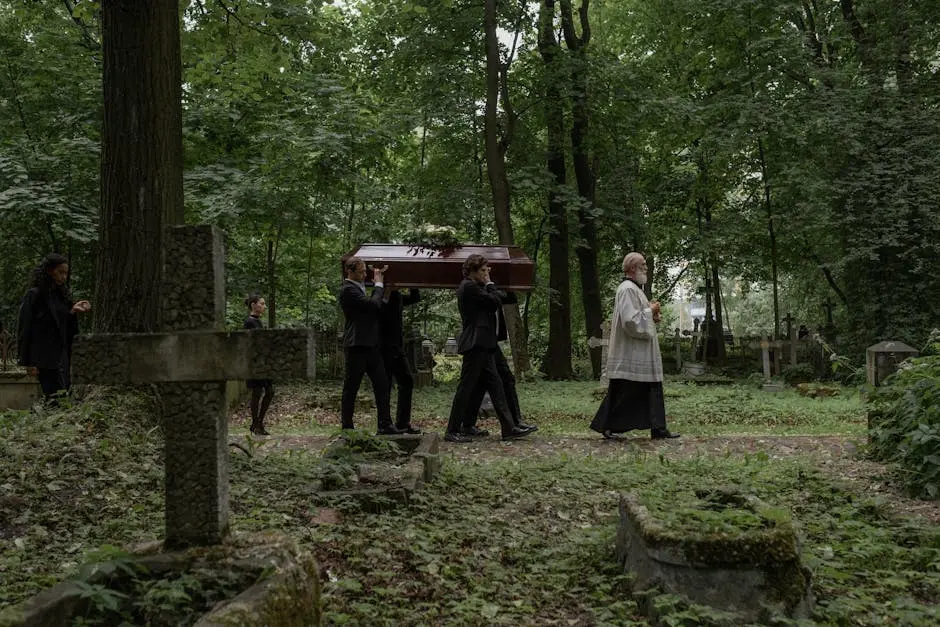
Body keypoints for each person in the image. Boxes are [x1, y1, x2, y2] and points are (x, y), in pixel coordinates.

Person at [444, 254, 534, 443]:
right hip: (476, 344)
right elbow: (494, 301)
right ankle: (452, 430)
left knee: (495, 384)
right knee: (467, 387)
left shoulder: (476, 287)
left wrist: (491, 287)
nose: (487, 274)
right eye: (483, 271)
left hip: (484, 343)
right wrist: (491, 284)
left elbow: (504, 298)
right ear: (473, 271)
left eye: (488, 271)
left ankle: (508, 427)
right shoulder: (468, 286)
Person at [590, 252, 679, 440]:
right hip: (632, 352)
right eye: (643, 265)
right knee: (625, 390)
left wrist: (651, 315)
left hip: (641, 352)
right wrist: (650, 311)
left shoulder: (635, 289)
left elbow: (637, 316)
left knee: (651, 388)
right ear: (632, 268)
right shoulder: (627, 289)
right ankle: (607, 425)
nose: (646, 268)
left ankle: (658, 428)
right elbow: (630, 322)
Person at [17, 253, 92, 404]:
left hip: (62, 356)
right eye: (60, 272)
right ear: (50, 271)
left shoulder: (61, 295)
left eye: (66, 273)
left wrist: (73, 311)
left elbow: (60, 323)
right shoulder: (35, 295)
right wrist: (28, 362)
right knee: (56, 399)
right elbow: (25, 328)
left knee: (63, 397)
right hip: (44, 358)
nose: (64, 277)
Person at [339, 256, 401, 435]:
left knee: (382, 385)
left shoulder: (358, 288)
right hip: (357, 345)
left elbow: (377, 310)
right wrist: (379, 284)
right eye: (362, 271)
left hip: (371, 345)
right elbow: (373, 305)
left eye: (366, 271)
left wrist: (386, 293)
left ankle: (385, 424)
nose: (365, 274)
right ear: (349, 271)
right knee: (351, 387)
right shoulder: (348, 290)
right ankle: (347, 428)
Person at [462, 290, 537, 436]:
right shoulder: (475, 289)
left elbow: (511, 298)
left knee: (487, 382)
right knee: (492, 381)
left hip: (491, 342)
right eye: (484, 270)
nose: (487, 272)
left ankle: (513, 422)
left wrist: (498, 284)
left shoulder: (491, 288)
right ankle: (511, 424)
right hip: (480, 342)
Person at [379, 287, 422, 434]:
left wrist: (413, 284)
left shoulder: (397, 295)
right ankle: (384, 425)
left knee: (407, 381)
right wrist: (387, 292)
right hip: (384, 347)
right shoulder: (380, 295)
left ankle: (402, 423)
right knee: (386, 385)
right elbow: (378, 310)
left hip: (397, 347)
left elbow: (415, 298)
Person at [243, 293, 275, 436]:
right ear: (253, 305)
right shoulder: (249, 322)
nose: (264, 306)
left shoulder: (257, 321)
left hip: (262, 363)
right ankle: (257, 424)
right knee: (257, 393)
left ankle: (257, 423)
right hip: (255, 364)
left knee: (269, 391)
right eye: (261, 303)